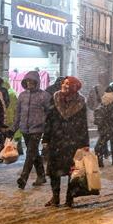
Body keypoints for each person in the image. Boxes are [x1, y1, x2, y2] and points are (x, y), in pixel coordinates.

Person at [42, 76, 90, 208]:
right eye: (64, 83)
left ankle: (70, 198)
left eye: (68, 84)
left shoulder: (80, 103)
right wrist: (45, 139)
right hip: (56, 141)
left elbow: (83, 125)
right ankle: (55, 197)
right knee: (53, 172)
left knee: (73, 172)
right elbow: (49, 120)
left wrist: (85, 144)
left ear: (74, 87)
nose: (65, 85)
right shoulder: (55, 98)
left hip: (73, 142)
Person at [14, 71, 51, 189]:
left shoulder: (44, 96)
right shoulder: (22, 96)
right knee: (34, 153)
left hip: (37, 128)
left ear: (36, 82)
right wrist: (14, 128)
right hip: (25, 129)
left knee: (30, 153)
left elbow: (50, 113)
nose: (29, 83)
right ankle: (41, 175)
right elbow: (18, 113)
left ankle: (23, 178)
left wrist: (46, 126)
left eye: (31, 81)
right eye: (27, 81)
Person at [93, 87, 113, 167]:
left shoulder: (103, 100)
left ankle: (100, 161)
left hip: (103, 127)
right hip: (112, 127)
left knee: (100, 145)